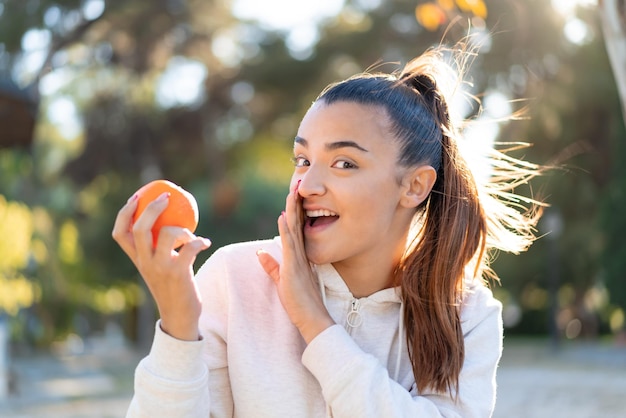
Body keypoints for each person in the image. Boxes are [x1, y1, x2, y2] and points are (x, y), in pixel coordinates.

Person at [112, 43, 541, 417]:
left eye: (344, 164)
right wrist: (179, 326)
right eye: (302, 160)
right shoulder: (234, 278)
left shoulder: (467, 315)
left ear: (414, 186)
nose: (308, 185)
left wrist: (315, 324)